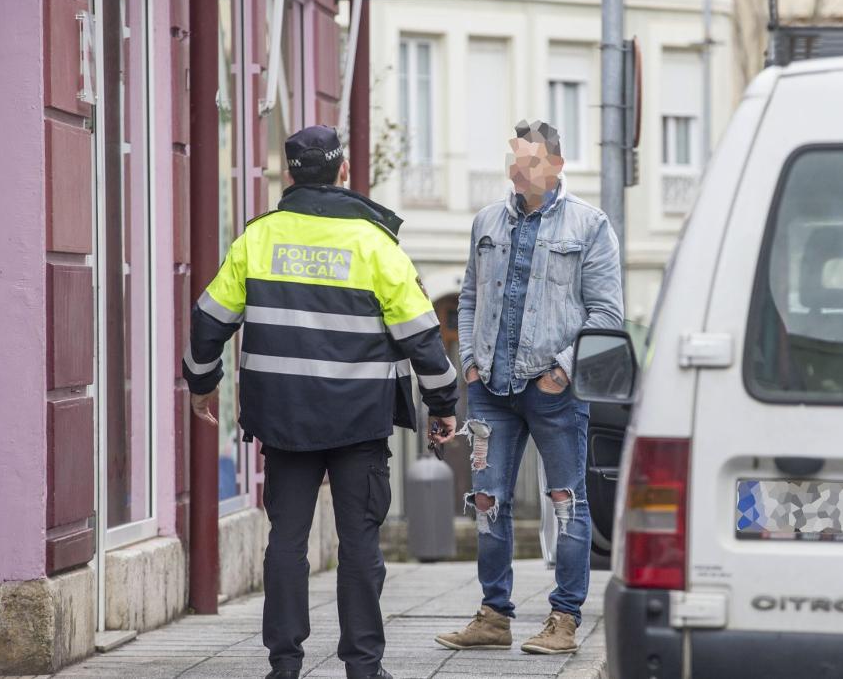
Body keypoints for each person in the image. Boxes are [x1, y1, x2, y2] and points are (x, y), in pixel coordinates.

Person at [182, 125, 459, 679]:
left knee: (286, 541)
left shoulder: (258, 238)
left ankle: (285, 665)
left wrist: (202, 380)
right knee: (360, 545)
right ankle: (363, 666)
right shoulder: (374, 243)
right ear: (344, 171)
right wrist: (442, 401)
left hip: (284, 418)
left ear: (289, 174)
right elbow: (422, 335)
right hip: (359, 421)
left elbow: (209, 319)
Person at [435, 119, 623, 655]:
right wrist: (469, 362)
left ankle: (564, 619)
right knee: (488, 501)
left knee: (567, 501)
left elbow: (607, 314)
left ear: (557, 165)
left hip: (554, 391)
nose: (519, 169)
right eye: (515, 158)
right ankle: (494, 616)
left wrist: (560, 371)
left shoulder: (590, 225)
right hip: (490, 390)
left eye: (531, 160)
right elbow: (469, 297)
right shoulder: (487, 221)